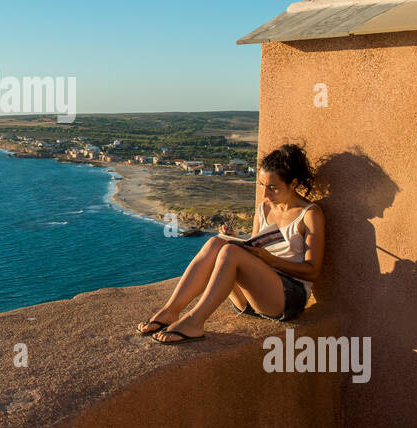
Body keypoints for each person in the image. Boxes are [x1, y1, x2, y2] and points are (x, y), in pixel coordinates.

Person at [134, 143, 325, 343]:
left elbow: (312, 271)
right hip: (250, 299)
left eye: (273, 188)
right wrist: (237, 239)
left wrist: (272, 260)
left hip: (286, 299)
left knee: (230, 253)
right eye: (262, 185)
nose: (266, 195)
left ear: (293, 183)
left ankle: (194, 322)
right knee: (216, 243)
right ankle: (170, 311)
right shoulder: (265, 208)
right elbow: (256, 247)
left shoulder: (309, 214)